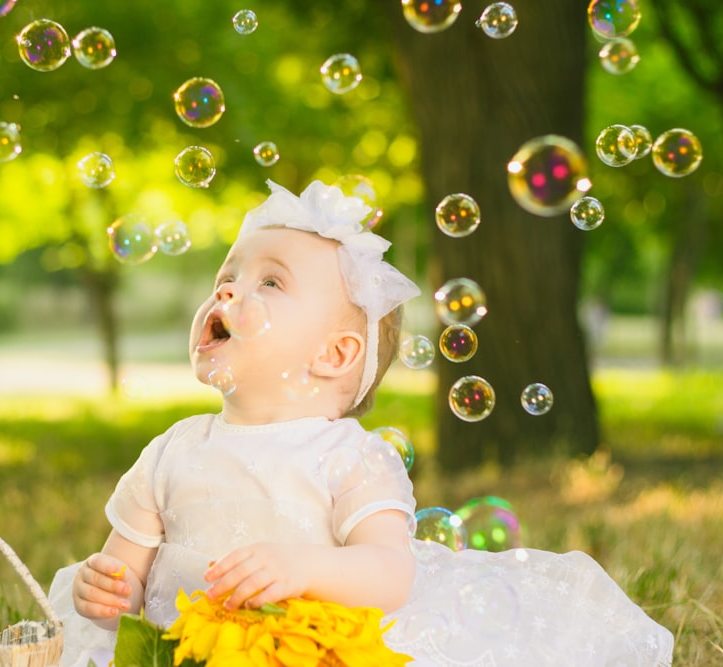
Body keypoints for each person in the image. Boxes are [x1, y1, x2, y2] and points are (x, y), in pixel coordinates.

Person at [49, 180, 674, 667]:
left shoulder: (348, 456)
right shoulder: (171, 451)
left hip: (320, 650)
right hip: (187, 651)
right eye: (226, 277)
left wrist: (303, 568)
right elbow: (123, 577)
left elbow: (389, 572)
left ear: (335, 355)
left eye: (270, 281)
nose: (228, 294)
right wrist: (107, 594)